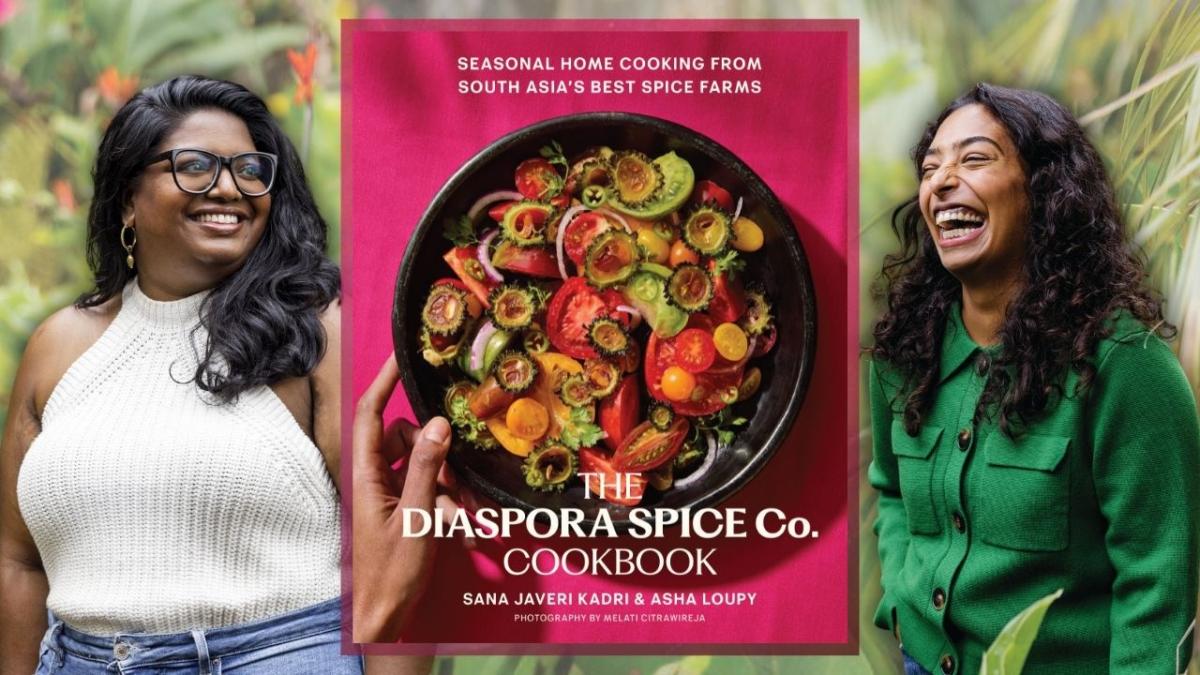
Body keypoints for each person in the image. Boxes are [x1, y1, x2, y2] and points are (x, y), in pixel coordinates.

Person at [0, 75, 359, 673]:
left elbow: (391, 540)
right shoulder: (58, 345)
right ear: (126, 199)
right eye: (194, 166)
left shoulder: (317, 330)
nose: (229, 188)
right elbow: (18, 561)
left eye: (249, 169)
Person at [868, 83, 1200, 675]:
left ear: (1044, 190)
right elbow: (891, 490)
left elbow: (1158, 576)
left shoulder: (1124, 364)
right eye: (930, 167)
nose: (942, 180)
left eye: (973, 158)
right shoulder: (904, 351)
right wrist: (902, 597)